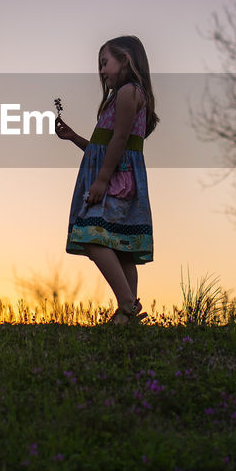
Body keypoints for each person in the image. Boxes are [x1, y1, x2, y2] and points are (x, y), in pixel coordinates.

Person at [55, 35, 159, 324]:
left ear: (125, 59)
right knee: (121, 244)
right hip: (114, 173)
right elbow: (103, 146)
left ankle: (127, 304)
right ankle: (128, 316)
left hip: (117, 179)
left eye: (105, 63)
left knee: (90, 233)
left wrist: (101, 181)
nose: (101, 71)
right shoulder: (121, 95)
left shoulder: (129, 92)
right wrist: (74, 137)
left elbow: (121, 140)